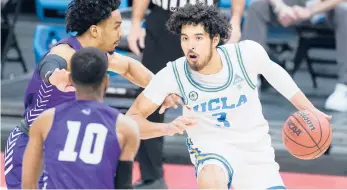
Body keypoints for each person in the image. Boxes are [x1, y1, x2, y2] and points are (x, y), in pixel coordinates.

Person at [126, 3, 332, 189]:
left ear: (215, 39)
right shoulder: (173, 74)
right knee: (211, 178)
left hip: (255, 154)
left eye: (198, 38)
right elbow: (130, 121)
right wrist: (167, 128)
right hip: (211, 153)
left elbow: (276, 74)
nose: (190, 46)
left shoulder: (245, 55)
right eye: (185, 38)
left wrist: (309, 108)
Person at [3, 0, 178, 188]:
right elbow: (51, 63)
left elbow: (129, 67)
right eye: (116, 27)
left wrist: (161, 90)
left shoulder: (97, 56)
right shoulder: (66, 52)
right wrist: (55, 77)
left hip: (66, 151)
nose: (121, 33)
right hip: (31, 147)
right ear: (95, 30)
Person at [127, 0, 245, 188]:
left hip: (204, 20)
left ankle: (227, 170)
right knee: (151, 98)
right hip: (164, 18)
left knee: (218, 102)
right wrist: (135, 24)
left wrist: (236, 20)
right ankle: (152, 177)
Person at [21, 47, 140, 189]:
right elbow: (123, 186)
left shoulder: (45, 121)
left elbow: (28, 184)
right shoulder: (125, 127)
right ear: (106, 80)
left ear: (71, 79)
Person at [241, 0, 347, 112]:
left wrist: (311, 10)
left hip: (326, 7)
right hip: (295, 5)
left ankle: (343, 87)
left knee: (344, 11)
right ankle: (249, 79)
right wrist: (280, 7)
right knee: (257, 7)